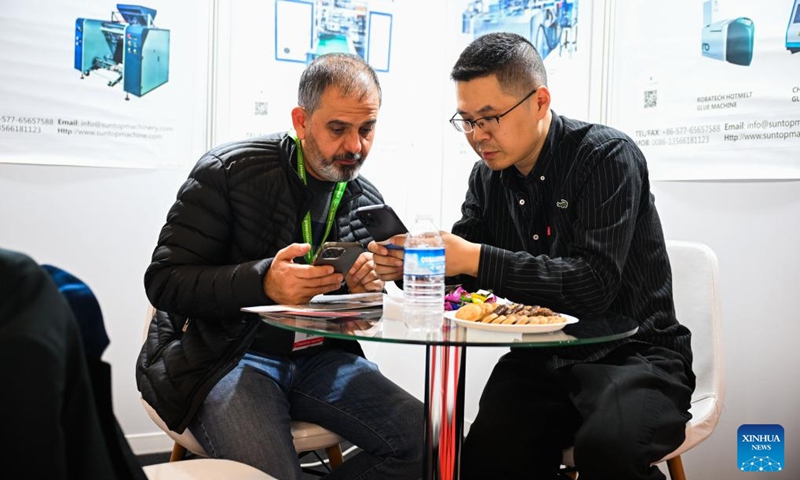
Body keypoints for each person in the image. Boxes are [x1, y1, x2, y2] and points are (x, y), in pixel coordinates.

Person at [369, 32, 695, 480]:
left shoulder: (605, 157)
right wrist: (411, 267)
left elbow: (593, 285)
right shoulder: (487, 180)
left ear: (539, 101)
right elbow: (463, 285)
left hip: (636, 354)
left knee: (607, 449)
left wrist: (475, 258)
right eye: (465, 120)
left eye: (489, 118)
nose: (476, 136)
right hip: (543, 360)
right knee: (485, 455)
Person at [137, 53, 423, 480]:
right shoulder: (228, 171)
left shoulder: (364, 197)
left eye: (367, 129)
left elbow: (349, 313)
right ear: (302, 120)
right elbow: (164, 282)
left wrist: (366, 294)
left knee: (428, 442)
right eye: (338, 129)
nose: (355, 147)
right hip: (229, 357)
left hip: (322, 359)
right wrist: (263, 283)